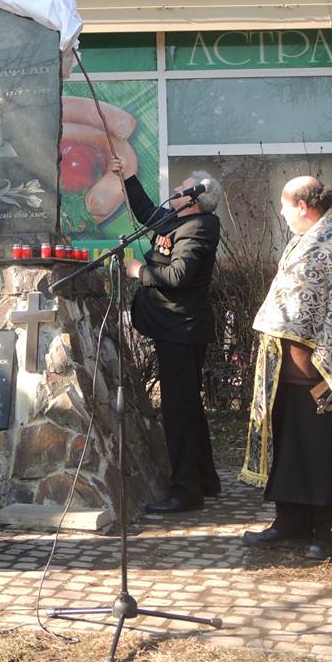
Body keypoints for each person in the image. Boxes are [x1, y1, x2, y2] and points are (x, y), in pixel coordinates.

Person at [241, 176, 332, 560]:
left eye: (285, 206)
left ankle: (328, 530)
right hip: (287, 372)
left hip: (324, 373)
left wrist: (330, 370)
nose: (282, 213)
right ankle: (288, 521)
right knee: (290, 448)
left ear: (303, 207)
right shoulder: (305, 238)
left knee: (325, 453)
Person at [111, 158, 222, 513]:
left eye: (179, 191)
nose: (173, 194)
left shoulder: (200, 227)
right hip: (171, 327)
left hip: (181, 330)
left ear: (193, 199)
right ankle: (205, 477)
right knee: (188, 405)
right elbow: (146, 213)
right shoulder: (178, 219)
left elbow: (177, 277)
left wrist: (138, 270)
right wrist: (128, 176)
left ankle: (186, 492)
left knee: (178, 410)